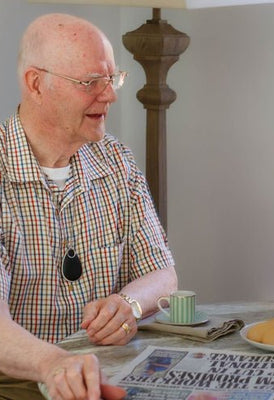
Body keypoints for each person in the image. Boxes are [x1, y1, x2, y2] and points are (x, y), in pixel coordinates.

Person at [0, 13, 178, 400]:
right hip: (19, 383)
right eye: (90, 82)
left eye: (112, 78)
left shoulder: (115, 159)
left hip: (115, 372)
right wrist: (53, 364)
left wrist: (128, 304)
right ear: (36, 84)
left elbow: (163, 274)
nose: (110, 94)